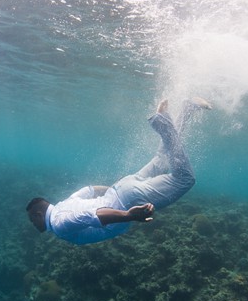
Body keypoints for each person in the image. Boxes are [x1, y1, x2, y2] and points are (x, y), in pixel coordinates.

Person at [26, 98, 211, 246]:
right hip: (121, 189)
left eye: (32, 221)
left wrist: (129, 215)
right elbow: (90, 189)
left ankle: (161, 123)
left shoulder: (59, 224)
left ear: (38, 215)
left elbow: (93, 215)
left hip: (127, 201)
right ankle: (186, 110)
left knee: (185, 179)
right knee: (162, 158)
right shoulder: (65, 203)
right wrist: (118, 188)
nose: (33, 225)